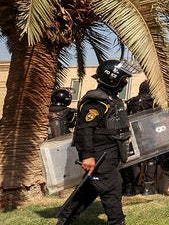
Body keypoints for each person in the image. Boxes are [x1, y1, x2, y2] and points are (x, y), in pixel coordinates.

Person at [57, 59, 138, 225]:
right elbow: (84, 130)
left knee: (90, 187)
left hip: (109, 155)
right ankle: (117, 222)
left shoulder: (111, 100)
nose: (125, 82)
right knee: (112, 188)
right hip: (101, 155)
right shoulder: (96, 101)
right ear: (112, 79)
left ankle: (65, 219)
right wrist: (87, 156)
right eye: (123, 79)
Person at [122, 80, 156, 196]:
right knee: (152, 159)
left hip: (133, 134)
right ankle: (148, 186)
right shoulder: (151, 101)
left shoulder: (131, 101)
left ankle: (130, 187)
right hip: (148, 133)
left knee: (134, 160)